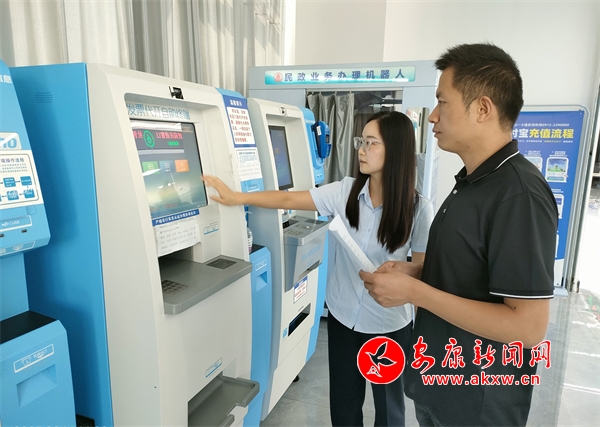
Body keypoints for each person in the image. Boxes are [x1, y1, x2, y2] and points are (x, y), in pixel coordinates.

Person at [360, 43, 558, 426]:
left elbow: (527, 328)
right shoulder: (472, 181)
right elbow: (474, 275)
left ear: (482, 109)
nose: (433, 116)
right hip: (440, 387)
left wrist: (416, 292)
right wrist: (417, 273)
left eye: (442, 102)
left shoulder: (519, 194)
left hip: (477, 405)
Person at [203, 110, 434, 427]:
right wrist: (237, 197)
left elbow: (422, 272)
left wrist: (406, 289)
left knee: (389, 411)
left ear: (395, 150)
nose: (361, 150)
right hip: (343, 316)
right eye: (361, 141)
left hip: (388, 324)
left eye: (371, 143)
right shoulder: (345, 192)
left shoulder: (419, 209)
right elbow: (289, 199)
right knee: (344, 404)